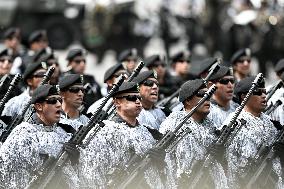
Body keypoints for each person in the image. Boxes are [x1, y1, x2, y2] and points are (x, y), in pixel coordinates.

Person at [78, 82, 164, 188]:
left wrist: (160, 162)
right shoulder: (103, 132)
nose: (137, 101)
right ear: (117, 102)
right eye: (132, 98)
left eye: (139, 98)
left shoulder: (146, 132)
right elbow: (91, 172)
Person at [0, 84, 80, 189]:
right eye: (52, 101)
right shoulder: (23, 134)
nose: (58, 105)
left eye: (60, 100)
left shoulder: (65, 132)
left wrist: (75, 160)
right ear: (39, 106)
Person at [159, 79, 228, 189]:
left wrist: (221, 153)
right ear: (188, 100)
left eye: (208, 94)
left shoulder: (210, 125)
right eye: (201, 94)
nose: (207, 98)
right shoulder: (173, 124)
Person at [225, 76, 281, 188]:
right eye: (258, 93)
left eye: (264, 92)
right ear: (244, 96)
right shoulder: (235, 122)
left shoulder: (267, 120)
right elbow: (234, 165)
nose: (264, 96)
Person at [64, 49, 102, 114]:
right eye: (77, 61)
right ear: (69, 63)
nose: (82, 64)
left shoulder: (90, 79)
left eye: (84, 61)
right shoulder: (64, 79)